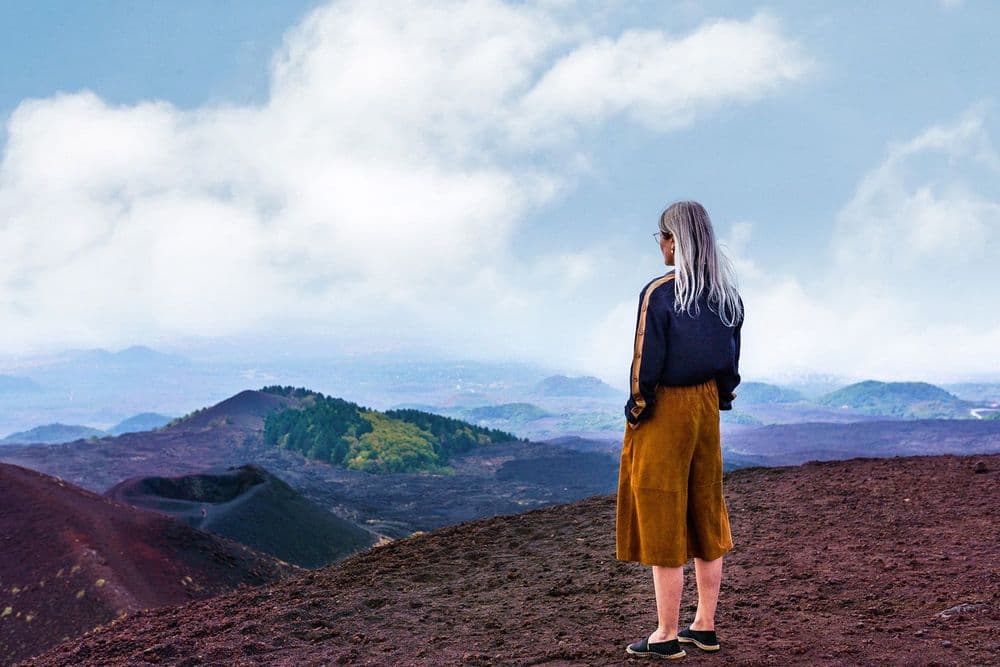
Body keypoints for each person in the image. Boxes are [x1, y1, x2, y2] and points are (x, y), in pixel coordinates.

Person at [616, 200, 744, 659]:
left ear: (678, 240)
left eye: (663, 236)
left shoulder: (661, 294)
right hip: (707, 407)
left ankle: (665, 635)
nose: (662, 244)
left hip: (665, 410)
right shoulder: (727, 295)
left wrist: (637, 409)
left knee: (662, 511)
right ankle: (704, 625)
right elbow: (731, 363)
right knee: (706, 511)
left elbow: (644, 363)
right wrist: (719, 400)